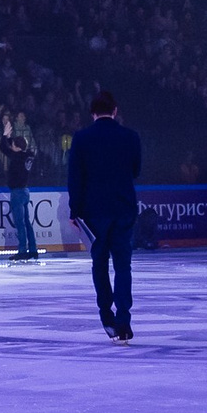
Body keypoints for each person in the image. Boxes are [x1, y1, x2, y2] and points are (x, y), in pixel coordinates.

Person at [67, 91, 143, 342]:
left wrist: (74, 211)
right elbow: (136, 170)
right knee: (123, 265)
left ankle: (106, 316)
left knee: (99, 264)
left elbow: (75, 178)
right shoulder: (130, 137)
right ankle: (124, 320)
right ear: (115, 111)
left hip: (93, 212)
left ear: (92, 113)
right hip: (123, 208)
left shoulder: (81, 138)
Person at [4, 134, 40, 261]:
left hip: (17, 192)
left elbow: (4, 149)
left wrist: (5, 136)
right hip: (25, 191)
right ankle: (33, 249)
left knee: (20, 223)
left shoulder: (17, 157)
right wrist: (10, 139)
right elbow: (15, 148)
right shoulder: (28, 155)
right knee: (27, 222)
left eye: (13, 144)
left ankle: (22, 251)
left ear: (16, 146)